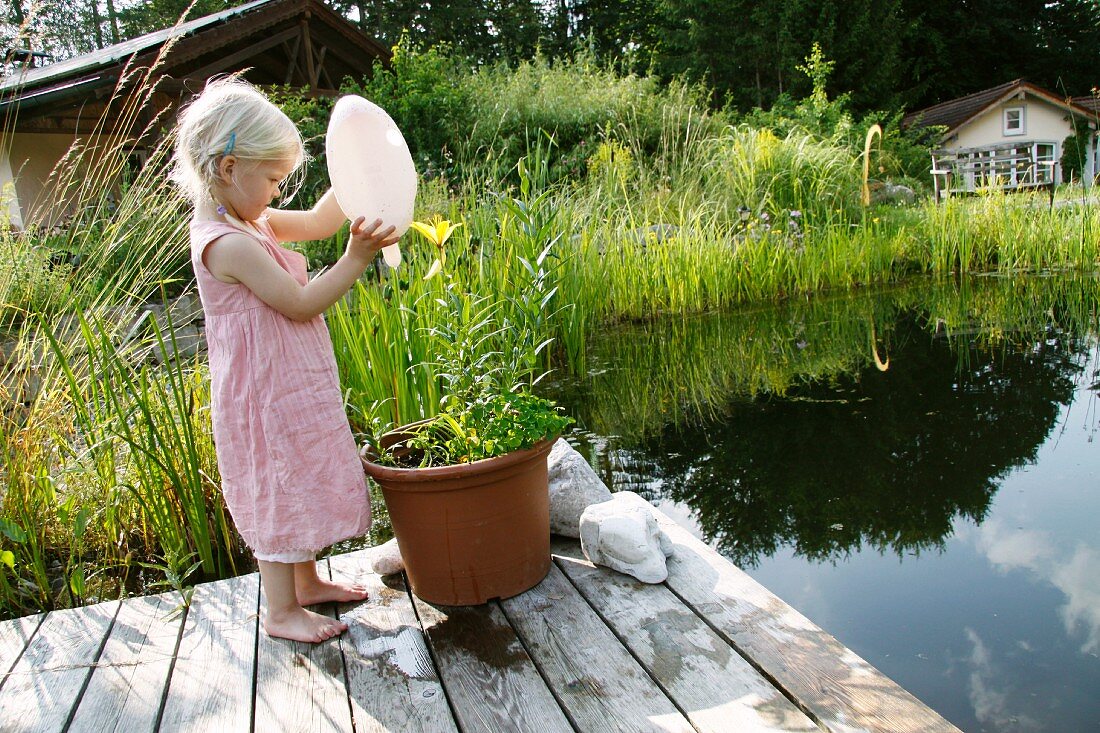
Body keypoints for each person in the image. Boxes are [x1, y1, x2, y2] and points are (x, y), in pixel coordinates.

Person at [171, 76, 399, 643]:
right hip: (261, 392)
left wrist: (363, 164)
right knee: (276, 483)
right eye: (271, 178)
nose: (277, 191)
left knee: (299, 471)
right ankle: (279, 613)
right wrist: (356, 259)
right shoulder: (227, 243)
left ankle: (305, 585)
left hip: (286, 383)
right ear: (227, 169)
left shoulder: (253, 221)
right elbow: (298, 304)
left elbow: (322, 220)